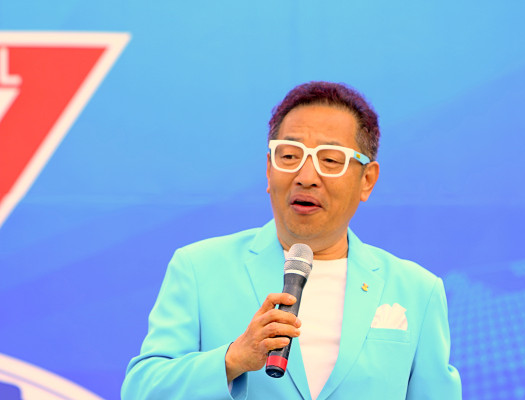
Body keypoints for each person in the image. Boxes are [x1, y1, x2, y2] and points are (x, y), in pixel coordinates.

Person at [121, 81, 462, 399]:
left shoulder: (417, 291)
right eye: (289, 156)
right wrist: (233, 359)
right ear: (269, 170)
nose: (306, 176)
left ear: (367, 180)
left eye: (330, 160)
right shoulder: (199, 268)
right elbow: (142, 389)